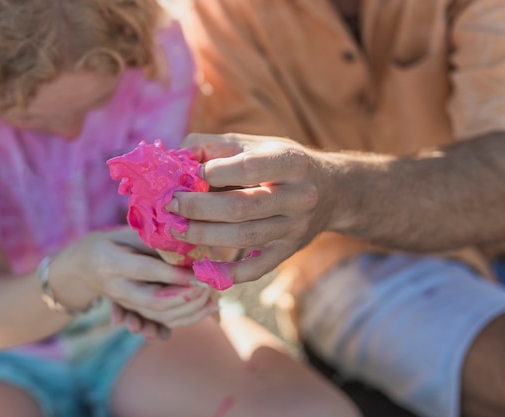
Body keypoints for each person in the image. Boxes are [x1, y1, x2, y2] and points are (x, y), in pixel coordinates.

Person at [0, 1, 361, 417]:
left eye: (96, 101)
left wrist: (199, 257)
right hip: (4, 350)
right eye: (31, 117)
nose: (70, 131)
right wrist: (79, 271)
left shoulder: (154, 57)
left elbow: (182, 224)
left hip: (142, 327)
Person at [171, 1, 505, 417]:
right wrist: (213, 223)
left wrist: (338, 192)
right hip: (347, 260)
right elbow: (246, 196)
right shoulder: (215, 15)